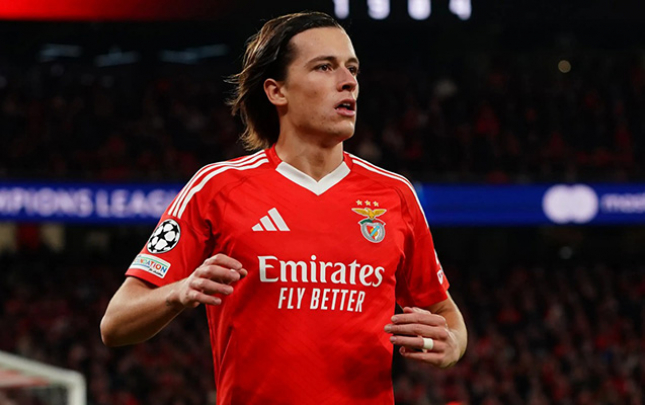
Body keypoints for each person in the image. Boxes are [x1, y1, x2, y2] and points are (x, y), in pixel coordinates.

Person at [100, 11, 467, 404]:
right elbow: (115, 323)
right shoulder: (217, 188)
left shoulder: (395, 194)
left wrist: (451, 344)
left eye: (352, 68)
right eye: (324, 67)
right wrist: (180, 291)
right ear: (277, 91)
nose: (348, 81)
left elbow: (445, 312)